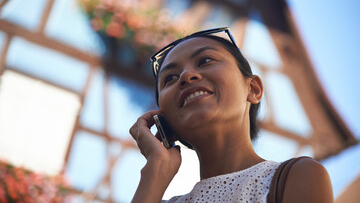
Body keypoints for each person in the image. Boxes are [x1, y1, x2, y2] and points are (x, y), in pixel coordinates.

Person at [129, 27, 334, 203]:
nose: (185, 76)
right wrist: (155, 170)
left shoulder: (295, 177)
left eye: (205, 60)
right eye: (170, 78)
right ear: (164, 120)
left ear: (253, 89)